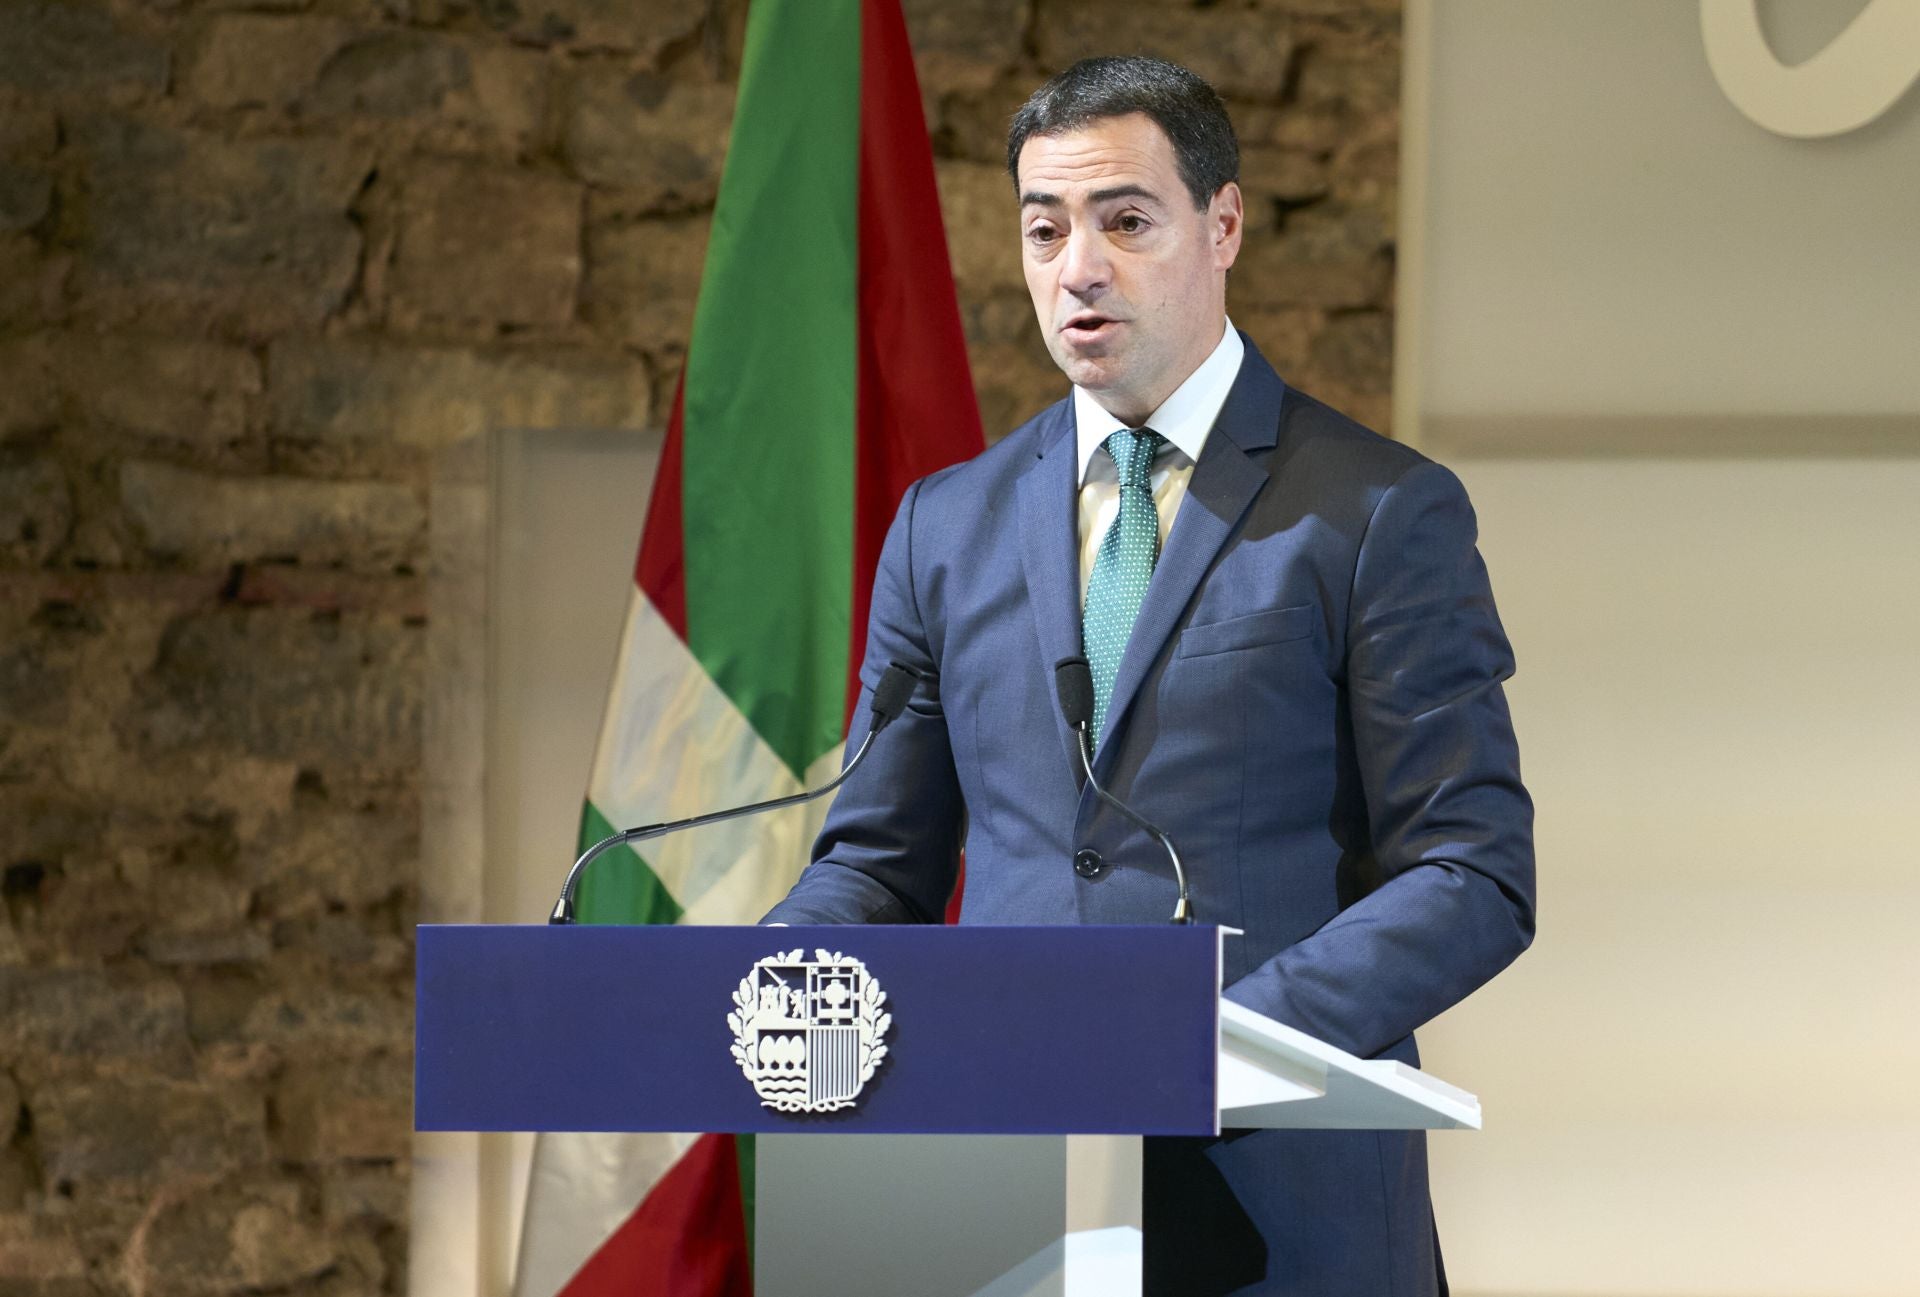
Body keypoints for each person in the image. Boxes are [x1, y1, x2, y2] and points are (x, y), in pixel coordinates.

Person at [763, 55, 1535, 1296]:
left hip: (1282, 1206)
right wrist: (772, 978)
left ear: (1222, 227)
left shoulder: (1378, 510)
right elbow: (876, 860)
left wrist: (1206, 1042)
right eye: (1045, 228)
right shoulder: (943, 526)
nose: (1079, 267)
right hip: (1003, 1208)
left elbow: (1472, 869)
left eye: (1126, 222)